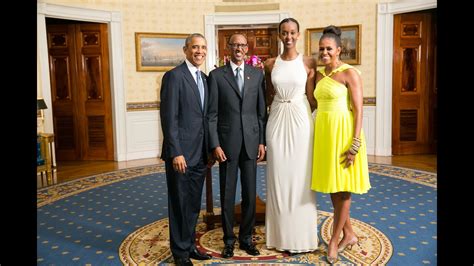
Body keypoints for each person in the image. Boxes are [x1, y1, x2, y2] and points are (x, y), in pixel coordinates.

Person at [310, 25, 371, 264]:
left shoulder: (350, 73)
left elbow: (358, 110)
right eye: (321, 49)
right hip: (325, 134)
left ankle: (334, 240)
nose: (324, 52)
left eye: (328, 49)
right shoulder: (318, 74)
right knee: (333, 188)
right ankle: (350, 233)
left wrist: (355, 144)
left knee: (343, 189)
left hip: (345, 134)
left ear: (339, 50)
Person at [207, 33, 267, 258]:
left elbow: (261, 113)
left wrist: (262, 140)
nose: (239, 49)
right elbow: (212, 115)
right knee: (227, 194)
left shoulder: (257, 74)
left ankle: (246, 238)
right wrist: (215, 144)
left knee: (250, 194)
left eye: (242, 45)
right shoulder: (216, 76)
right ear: (228, 48)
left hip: (251, 143)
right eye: (235, 45)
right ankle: (228, 241)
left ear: (247, 49)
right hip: (227, 145)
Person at [264, 18, 319, 254]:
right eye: (284, 33)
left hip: (301, 121)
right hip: (276, 119)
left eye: (292, 33)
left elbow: (313, 98)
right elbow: (267, 96)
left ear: (298, 34)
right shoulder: (269, 64)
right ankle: (279, 235)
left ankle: (302, 237)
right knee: (278, 177)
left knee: (301, 177)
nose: (288, 37)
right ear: (279, 35)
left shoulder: (309, 62)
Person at [160, 33, 213, 266]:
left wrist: (209, 150)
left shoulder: (205, 78)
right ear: (185, 50)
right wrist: (176, 152)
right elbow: (168, 118)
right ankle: (179, 253)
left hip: (200, 154)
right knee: (179, 204)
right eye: (194, 47)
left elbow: (205, 118)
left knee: (193, 204)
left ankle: (190, 245)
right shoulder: (173, 77)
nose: (199, 51)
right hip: (181, 155)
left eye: (202, 47)